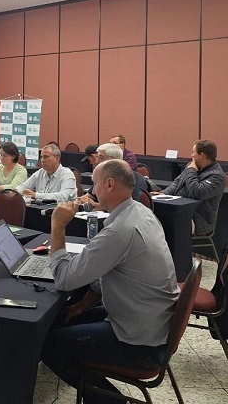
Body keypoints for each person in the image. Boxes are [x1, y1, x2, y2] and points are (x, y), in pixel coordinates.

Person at [42, 159, 179, 403]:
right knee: (62, 318)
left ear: (109, 184)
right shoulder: (142, 213)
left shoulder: (120, 231)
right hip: (150, 319)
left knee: (50, 345)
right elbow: (107, 273)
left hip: (140, 341)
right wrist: (82, 306)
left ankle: (111, 401)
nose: (92, 191)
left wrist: (57, 226)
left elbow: (63, 279)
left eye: (95, 184)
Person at [154, 139, 226, 236]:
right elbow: (178, 182)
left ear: (202, 155)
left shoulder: (217, 176)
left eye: (194, 152)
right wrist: (164, 193)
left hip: (198, 219)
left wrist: (191, 170)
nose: (192, 155)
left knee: (166, 224)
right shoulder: (192, 167)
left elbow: (197, 193)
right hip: (179, 209)